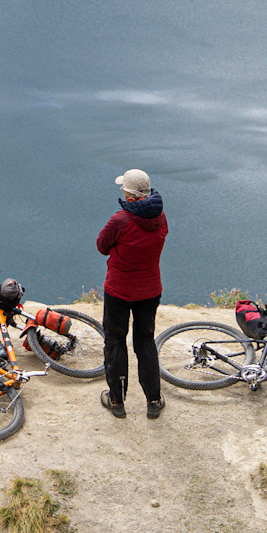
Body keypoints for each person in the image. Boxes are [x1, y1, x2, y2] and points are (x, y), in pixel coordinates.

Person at [96, 168, 167, 418]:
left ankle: (117, 401)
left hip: (119, 291)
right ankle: (154, 400)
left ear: (130, 195)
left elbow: (102, 246)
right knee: (145, 342)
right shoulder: (161, 217)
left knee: (115, 343)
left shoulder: (121, 220)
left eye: (123, 189)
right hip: (149, 291)